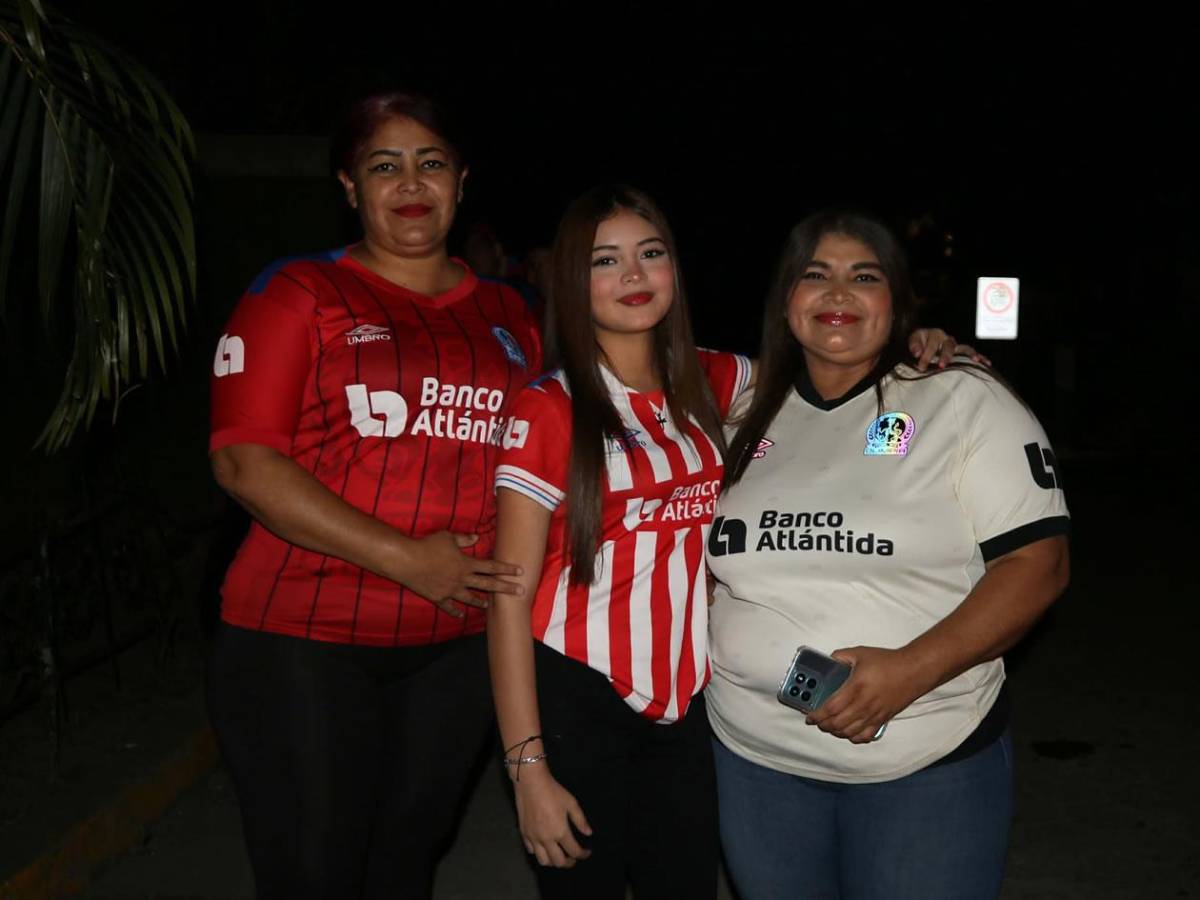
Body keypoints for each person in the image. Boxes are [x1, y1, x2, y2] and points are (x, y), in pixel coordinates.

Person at [486, 188, 966, 899]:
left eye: (651, 254)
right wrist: (527, 770)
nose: (634, 275)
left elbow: (838, 376)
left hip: (689, 700)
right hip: (577, 693)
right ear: (570, 280)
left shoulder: (722, 380)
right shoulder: (548, 407)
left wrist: (919, 345)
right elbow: (507, 599)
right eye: (606, 260)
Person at [206, 91, 541, 900]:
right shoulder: (296, 293)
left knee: (404, 865)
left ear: (462, 180)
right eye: (382, 165)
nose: (409, 182)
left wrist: (902, 388)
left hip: (458, 647)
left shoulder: (511, 314)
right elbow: (245, 465)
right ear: (350, 187)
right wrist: (407, 559)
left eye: (430, 162)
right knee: (316, 872)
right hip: (303, 638)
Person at [705, 210, 1071, 900]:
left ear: (897, 303)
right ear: (787, 301)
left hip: (925, 767)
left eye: (863, 276)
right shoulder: (739, 411)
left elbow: (1037, 566)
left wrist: (908, 673)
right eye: (816, 275)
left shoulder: (961, 399)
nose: (838, 293)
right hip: (755, 764)